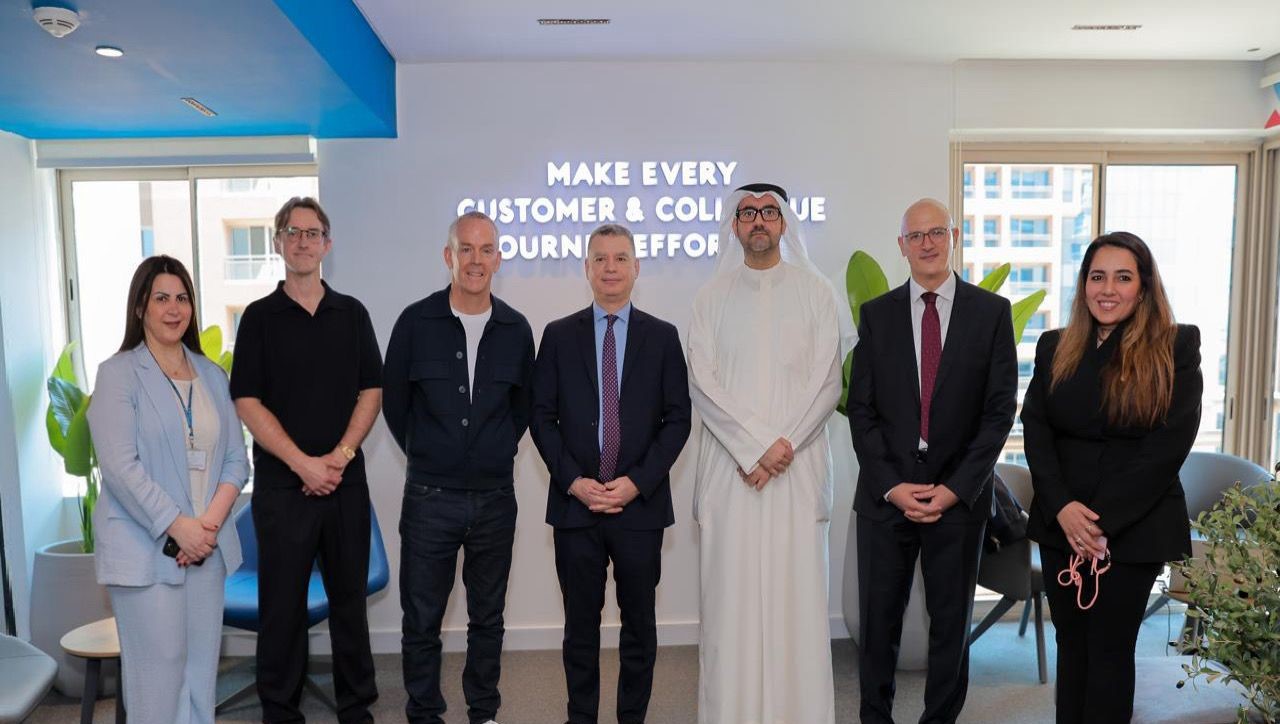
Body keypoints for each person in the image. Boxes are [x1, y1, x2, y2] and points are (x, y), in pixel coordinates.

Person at [688, 183, 855, 724]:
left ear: (784, 223)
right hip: (730, 473)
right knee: (729, 606)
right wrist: (755, 448)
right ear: (734, 225)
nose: (758, 220)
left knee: (796, 605)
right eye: (747, 212)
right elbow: (703, 383)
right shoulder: (710, 297)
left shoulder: (816, 292)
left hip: (795, 472)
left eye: (768, 212)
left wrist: (778, 449)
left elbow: (827, 383)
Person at [848, 197, 1017, 724]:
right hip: (887, 498)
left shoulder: (991, 314)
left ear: (954, 237)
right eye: (915, 235)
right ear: (901, 246)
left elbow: (998, 413)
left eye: (936, 232)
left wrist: (956, 488)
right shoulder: (876, 316)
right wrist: (891, 486)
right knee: (879, 625)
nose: (927, 243)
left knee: (951, 627)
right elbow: (862, 410)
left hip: (958, 498)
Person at [1021, 231, 1201, 723]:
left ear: (1143, 288)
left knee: (1109, 650)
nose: (1108, 289)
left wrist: (1097, 524)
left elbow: (1168, 447)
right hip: (1062, 523)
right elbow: (1036, 428)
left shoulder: (1177, 345)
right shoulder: (1055, 346)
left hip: (1133, 527)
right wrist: (1063, 509)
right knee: (1071, 644)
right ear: (1083, 285)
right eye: (1097, 277)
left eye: (1123, 278)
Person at [530, 223, 691, 724]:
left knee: (639, 626)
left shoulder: (663, 337)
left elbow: (678, 420)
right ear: (587, 268)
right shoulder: (558, 335)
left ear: (636, 267)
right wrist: (574, 482)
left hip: (639, 508)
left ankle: (631, 718)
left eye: (620, 258)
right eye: (600, 258)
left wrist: (636, 483)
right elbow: (541, 417)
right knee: (579, 628)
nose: (610, 268)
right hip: (576, 506)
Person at [230, 197, 382, 723]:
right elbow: (247, 400)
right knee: (282, 608)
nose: (302, 241)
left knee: (349, 605)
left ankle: (356, 708)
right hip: (282, 489)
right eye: (292, 232)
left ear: (327, 244)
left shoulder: (352, 313)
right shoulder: (258, 318)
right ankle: (279, 710)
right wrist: (303, 464)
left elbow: (372, 390)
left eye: (312, 233)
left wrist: (339, 457)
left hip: (345, 485)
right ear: (278, 243)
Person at [382, 210, 535, 724]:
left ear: (498, 259)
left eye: (485, 249)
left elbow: (522, 408)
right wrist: (431, 452)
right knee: (422, 620)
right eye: (465, 249)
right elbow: (395, 404)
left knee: (487, 618)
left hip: (495, 498)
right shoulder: (415, 322)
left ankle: (483, 712)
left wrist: (492, 449)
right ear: (448, 256)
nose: (475, 260)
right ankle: (424, 712)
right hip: (430, 498)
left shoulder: (516, 329)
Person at [87, 255, 248, 723]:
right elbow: (121, 467)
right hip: (145, 552)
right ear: (141, 307)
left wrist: (206, 529)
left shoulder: (212, 375)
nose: (173, 309)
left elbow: (236, 461)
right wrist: (180, 528)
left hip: (206, 551)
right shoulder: (118, 373)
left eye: (182, 298)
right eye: (161, 298)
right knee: (158, 683)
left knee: (200, 677)